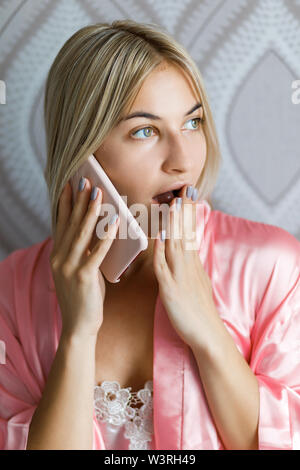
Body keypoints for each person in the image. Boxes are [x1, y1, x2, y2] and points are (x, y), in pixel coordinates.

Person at [0, 19, 300, 451]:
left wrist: (207, 330)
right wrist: (77, 335)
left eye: (193, 123)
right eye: (145, 131)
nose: (183, 161)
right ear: (83, 154)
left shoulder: (271, 265)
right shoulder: (12, 291)